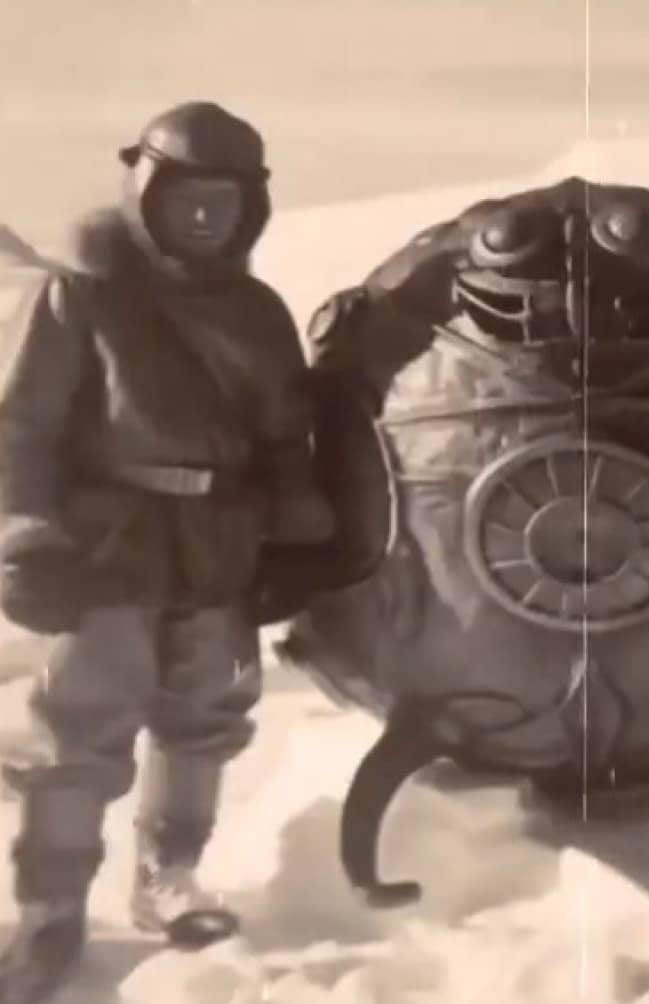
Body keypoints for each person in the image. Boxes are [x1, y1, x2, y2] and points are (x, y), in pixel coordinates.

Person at [0, 101, 334, 1002]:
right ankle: (50, 913)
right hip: (112, 543)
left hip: (219, 542)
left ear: (251, 207)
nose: (206, 215)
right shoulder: (83, 294)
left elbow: (285, 437)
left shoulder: (257, 312)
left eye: (225, 200)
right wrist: (25, 535)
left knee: (202, 722)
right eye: (188, 197)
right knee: (77, 737)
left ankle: (166, 879)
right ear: (146, 193)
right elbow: (22, 427)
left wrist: (295, 532)